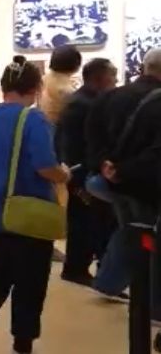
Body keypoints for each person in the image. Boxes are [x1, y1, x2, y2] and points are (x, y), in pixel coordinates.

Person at [0, 56, 69, 354]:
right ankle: (22, 344)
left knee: (1, 268)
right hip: (28, 211)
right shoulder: (33, 120)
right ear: (35, 88)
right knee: (30, 281)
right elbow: (46, 167)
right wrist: (64, 174)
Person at [85, 48, 161, 307]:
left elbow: (91, 135)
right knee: (140, 234)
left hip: (109, 178)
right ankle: (147, 301)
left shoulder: (111, 96)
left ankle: (109, 283)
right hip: (145, 182)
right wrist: (123, 169)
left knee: (129, 229)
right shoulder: (156, 101)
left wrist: (104, 164)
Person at [55, 58, 117, 288]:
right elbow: (75, 143)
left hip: (80, 169)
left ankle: (80, 267)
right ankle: (76, 269)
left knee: (88, 221)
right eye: (113, 77)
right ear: (99, 78)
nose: (115, 82)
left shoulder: (83, 100)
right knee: (85, 222)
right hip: (81, 171)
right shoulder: (85, 104)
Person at [38, 44, 81, 264]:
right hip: (59, 139)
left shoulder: (44, 79)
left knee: (46, 190)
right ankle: (50, 240)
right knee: (58, 193)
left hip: (41, 135)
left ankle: (45, 240)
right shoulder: (66, 89)